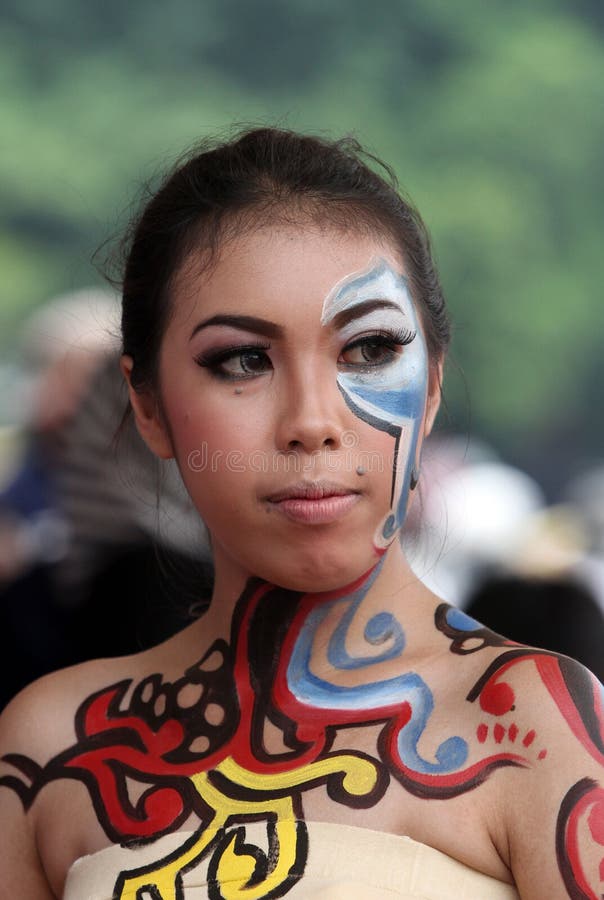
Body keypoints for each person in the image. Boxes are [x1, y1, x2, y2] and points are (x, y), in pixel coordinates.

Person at [0, 128, 601, 900]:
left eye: (370, 350)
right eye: (243, 360)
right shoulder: (49, 747)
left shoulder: (537, 730)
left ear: (433, 387)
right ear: (147, 406)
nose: (312, 421)